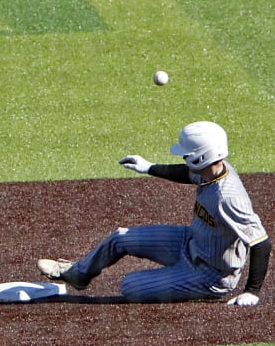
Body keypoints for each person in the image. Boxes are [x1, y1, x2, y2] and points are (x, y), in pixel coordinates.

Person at [37, 121, 270, 306]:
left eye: (187, 154)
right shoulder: (213, 169)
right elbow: (186, 173)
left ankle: (193, 286)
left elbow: (261, 242)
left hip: (211, 274)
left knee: (130, 287)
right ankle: (78, 273)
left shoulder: (229, 198)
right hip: (190, 242)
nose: (183, 157)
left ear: (201, 157)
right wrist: (149, 167)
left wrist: (252, 291)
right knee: (120, 237)